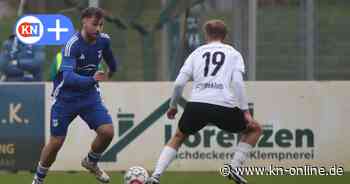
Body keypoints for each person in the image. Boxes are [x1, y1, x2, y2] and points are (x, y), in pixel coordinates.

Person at [146, 19, 262, 184]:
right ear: (225, 35)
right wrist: (245, 111)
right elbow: (237, 82)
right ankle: (234, 169)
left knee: (179, 136)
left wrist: (173, 106)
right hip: (223, 104)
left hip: (197, 104)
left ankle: (156, 176)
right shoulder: (233, 53)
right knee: (254, 129)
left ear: (206, 34)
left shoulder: (196, 53)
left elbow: (179, 83)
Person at [31, 7, 118, 184]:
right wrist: (93, 79)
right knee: (56, 142)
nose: (98, 29)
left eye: (101, 25)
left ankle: (91, 161)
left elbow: (110, 58)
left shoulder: (103, 40)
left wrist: (112, 70)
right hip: (66, 98)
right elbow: (69, 78)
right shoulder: (72, 45)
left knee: (107, 132)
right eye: (95, 24)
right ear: (84, 21)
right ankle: (38, 179)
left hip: (89, 97)